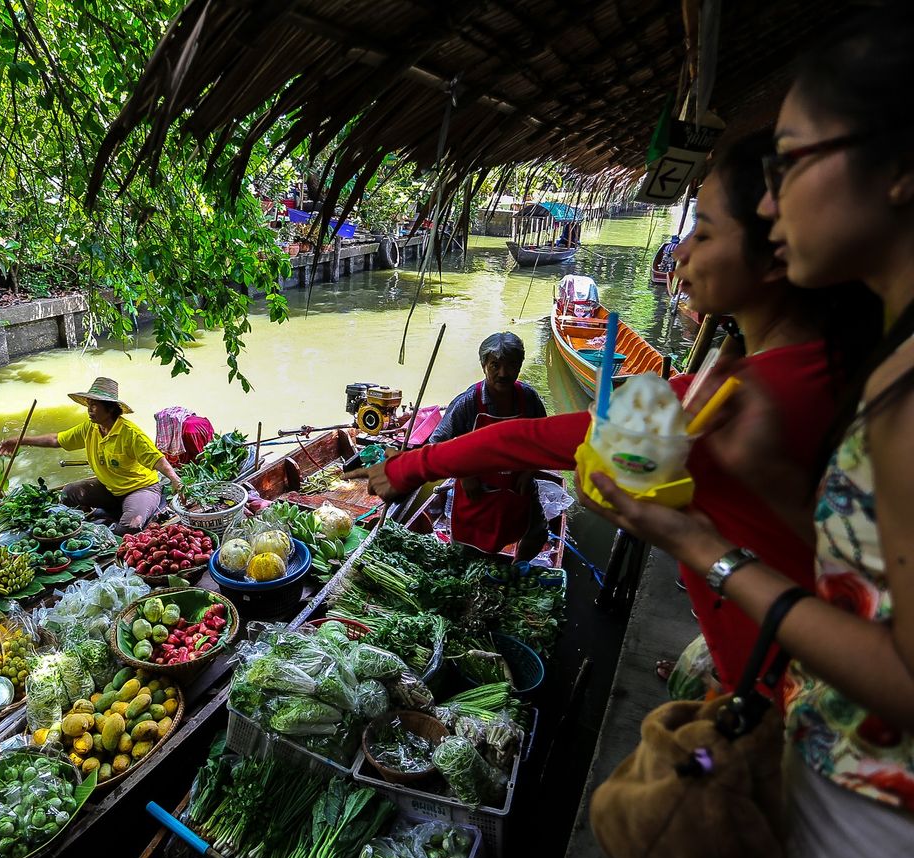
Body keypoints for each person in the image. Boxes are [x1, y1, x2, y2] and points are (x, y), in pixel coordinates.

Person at [348, 130, 879, 694]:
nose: (680, 254)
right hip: (779, 670)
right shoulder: (838, 372)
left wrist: (406, 467)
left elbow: (525, 439)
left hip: (806, 700)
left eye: (703, 230)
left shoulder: (734, 401)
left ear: (778, 254)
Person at [580, 8, 914, 858]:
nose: (772, 203)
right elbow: (872, 578)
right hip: (829, 760)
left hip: (874, 819)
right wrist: (770, 487)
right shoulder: (880, 361)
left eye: (790, 162)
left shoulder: (900, 390)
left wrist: (699, 546)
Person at [0, 377, 184, 533]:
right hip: (110, 488)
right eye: (89, 405)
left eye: (94, 405)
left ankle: (140, 509)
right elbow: (56, 440)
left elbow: (158, 460)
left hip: (140, 488)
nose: (89, 409)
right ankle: (98, 514)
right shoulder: (90, 428)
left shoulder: (131, 434)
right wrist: (20, 440)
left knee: (128, 527)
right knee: (69, 492)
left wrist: (176, 481)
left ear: (110, 408)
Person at [427, 331, 548, 556]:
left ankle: (517, 567)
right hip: (477, 492)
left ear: (519, 366)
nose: (503, 373)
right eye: (495, 365)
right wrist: (464, 476)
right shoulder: (468, 403)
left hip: (517, 488)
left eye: (511, 365)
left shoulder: (528, 399)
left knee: (537, 532)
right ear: (484, 365)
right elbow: (436, 444)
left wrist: (529, 471)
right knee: (467, 550)